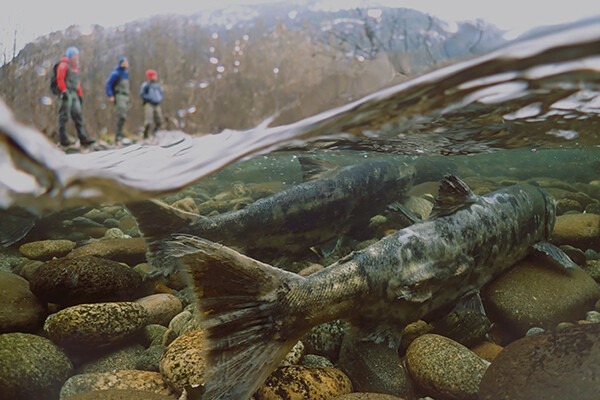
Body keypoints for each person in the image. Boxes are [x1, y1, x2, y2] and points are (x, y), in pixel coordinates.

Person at [56, 46, 94, 146]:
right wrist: (64, 91)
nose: (77, 57)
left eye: (77, 55)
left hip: (74, 94)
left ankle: (83, 139)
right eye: (75, 55)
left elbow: (78, 83)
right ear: (71, 56)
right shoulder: (64, 65)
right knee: (64, 116)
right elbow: (60, 78)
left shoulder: (76, 67)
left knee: (78, 116)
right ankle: (63, 139)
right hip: (67, 93)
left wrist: (80, 95)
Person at [105, 57, 131, 142]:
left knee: (124, 116)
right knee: (121, 116)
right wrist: (110, 95)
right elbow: (109, 85)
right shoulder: (116, 73)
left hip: (125, 96)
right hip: (119, 95)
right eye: (125, 62)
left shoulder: (126, 74)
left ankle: (121, 135)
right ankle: (118, 136)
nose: (126, 64)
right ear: (121, 63)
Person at [140, 69, 164, 138]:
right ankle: (145, 135)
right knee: (148, 121)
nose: (156, 77)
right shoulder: (146, 85)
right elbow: (142, 94)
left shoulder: (158, 85)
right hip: (149, 104)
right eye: (154, 76)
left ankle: (155, 133)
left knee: (159, 120)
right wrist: (149, 98)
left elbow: (161, 93)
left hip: (157, 104)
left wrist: (160, 98)